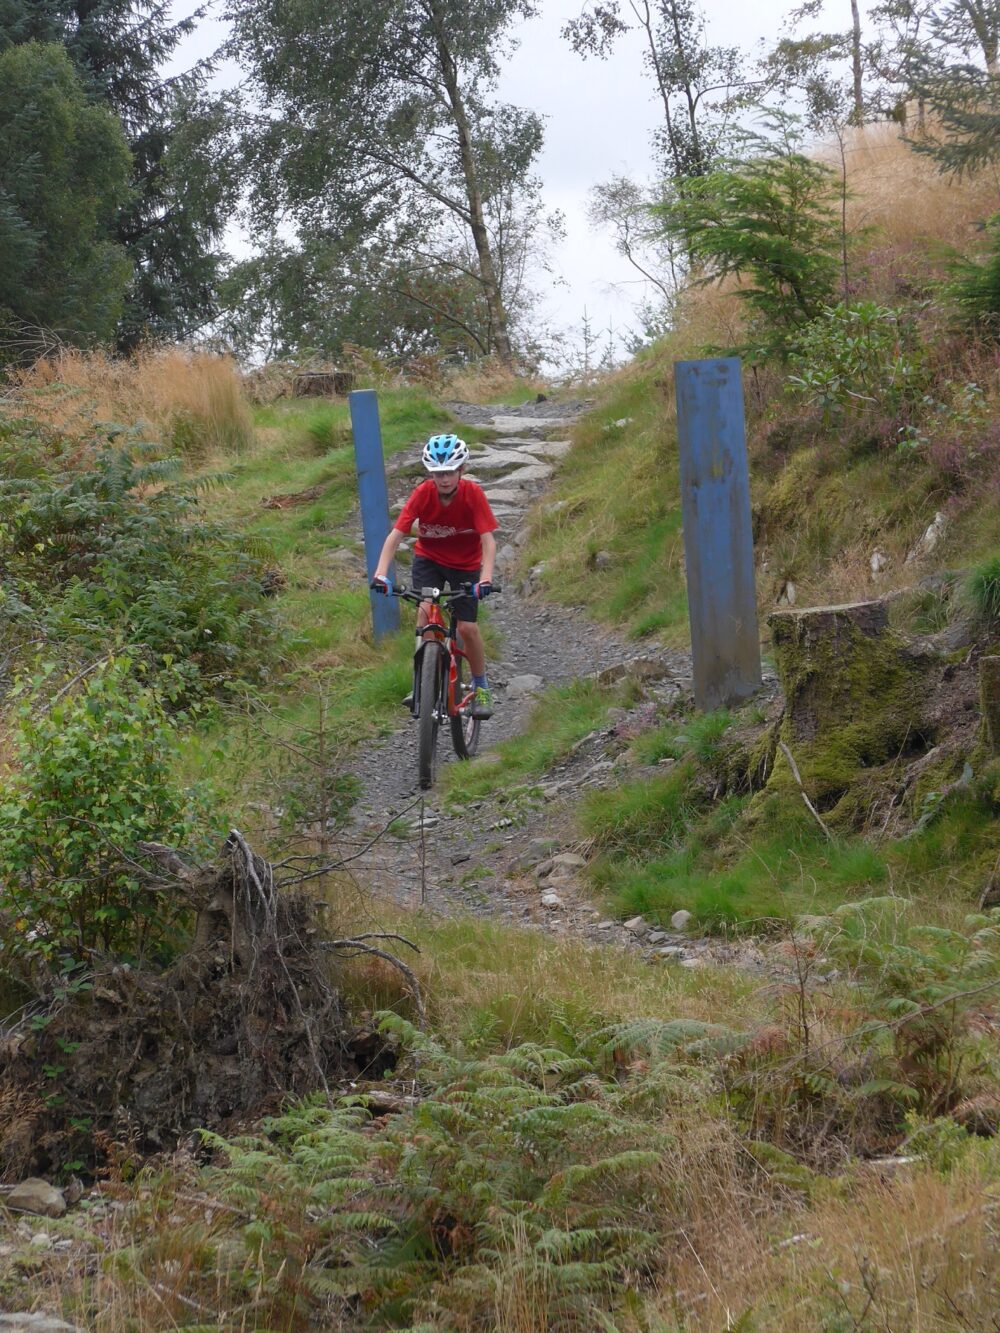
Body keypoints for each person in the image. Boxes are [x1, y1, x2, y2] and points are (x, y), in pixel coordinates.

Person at [370, 432, 498, 718]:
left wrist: (485, 579)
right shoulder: (422, 494)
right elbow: (395, 535)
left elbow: (489, 541)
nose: (444, 479)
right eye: (438, 473)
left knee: (466, 628)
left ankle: (481, 687)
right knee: (426, 611)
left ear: (461, 470)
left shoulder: (473, 495)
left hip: (465, 564)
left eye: (450, 472)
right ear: (430, 472)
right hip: (429, 559)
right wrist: (381, 574)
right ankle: (423, 683)